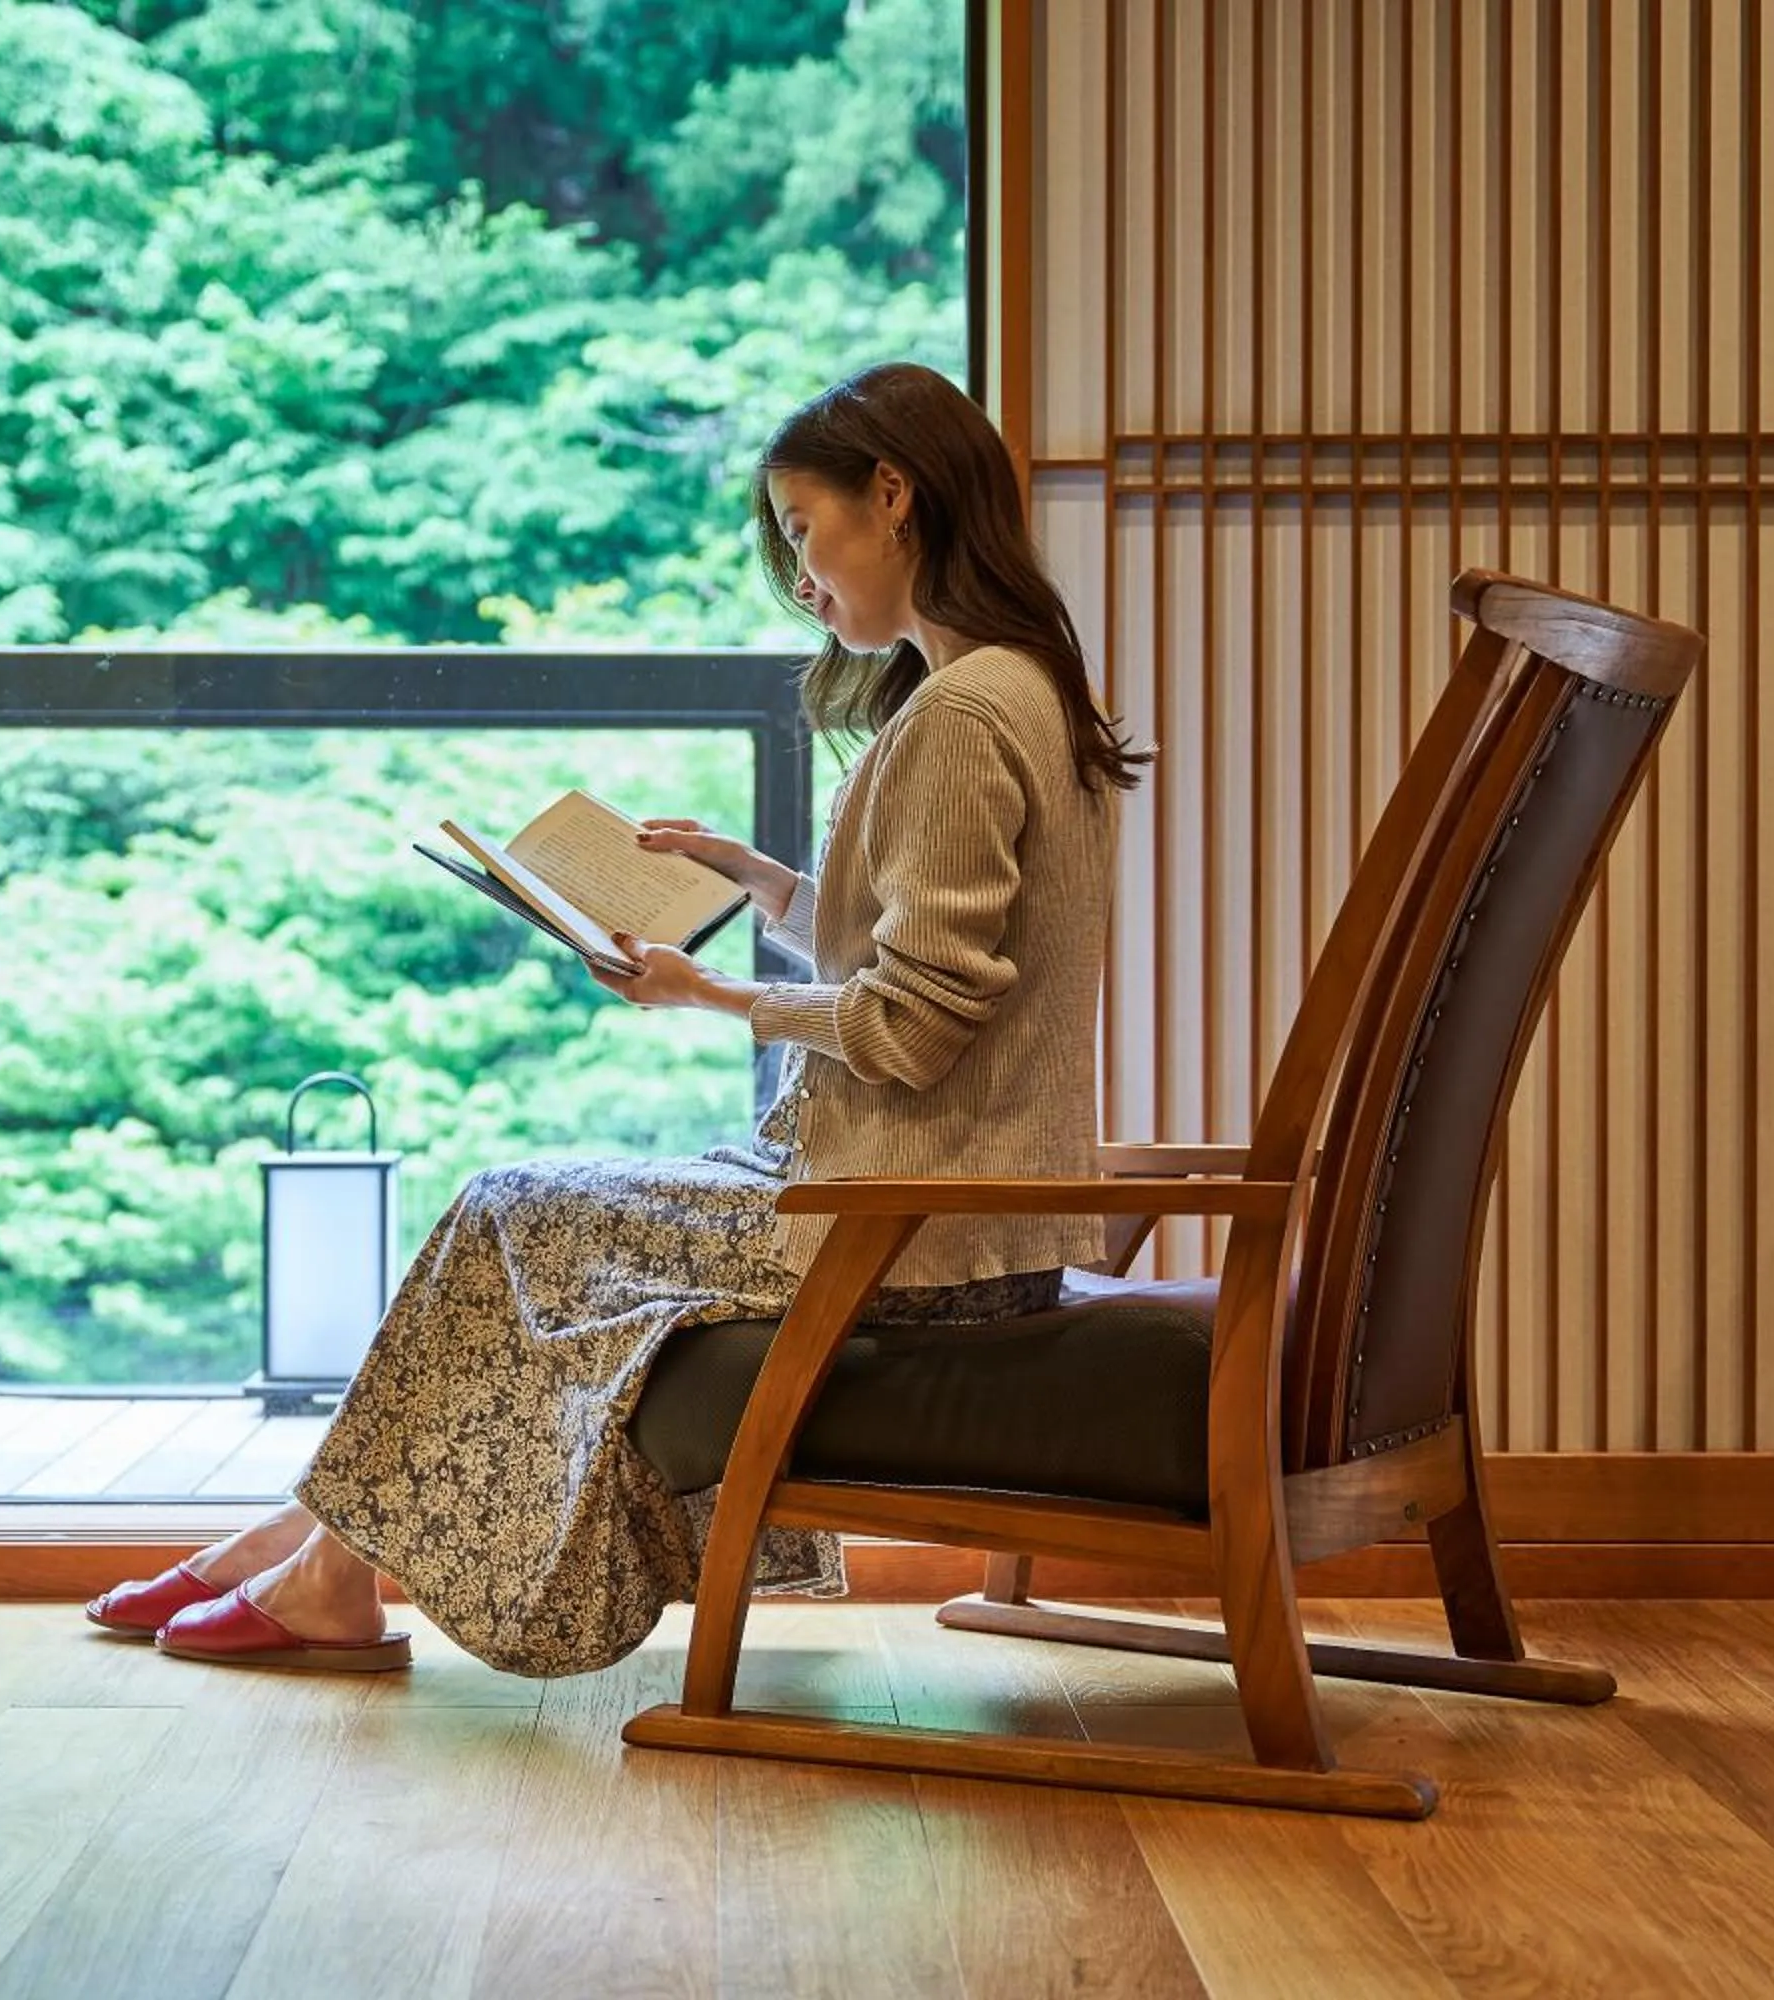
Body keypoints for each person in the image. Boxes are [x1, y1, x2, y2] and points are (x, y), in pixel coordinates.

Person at [84, 360, 1148, 1675]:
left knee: (510, 1205)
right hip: (923, 1209)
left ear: (894, 496)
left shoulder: (966, 714)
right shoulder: (1026, 690)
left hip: (904, 1233)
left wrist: (703, 991)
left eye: (805, 535)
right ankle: (314, 1548)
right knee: (514, 1207)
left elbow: (919, 1024)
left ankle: (322, 1562)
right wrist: (759, 885)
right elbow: (937, 956)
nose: (802, 582)